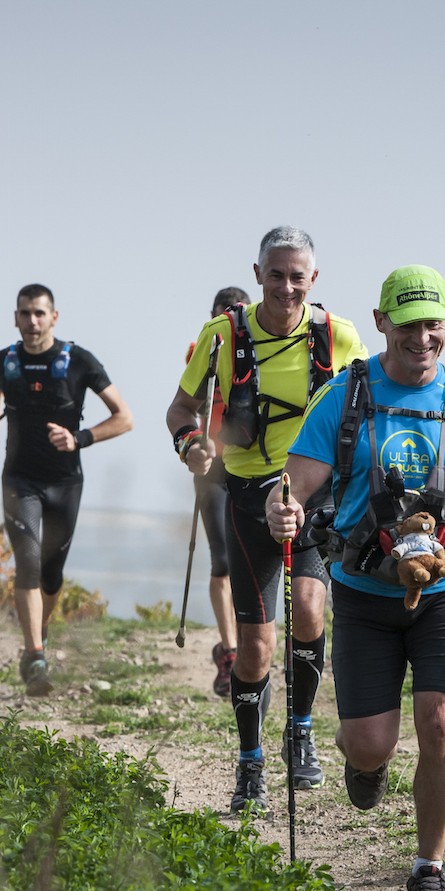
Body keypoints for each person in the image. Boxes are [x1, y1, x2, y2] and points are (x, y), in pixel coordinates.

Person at [267, 264, 445, 891]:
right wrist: (281, 511)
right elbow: (293, 486)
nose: (421, 338)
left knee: (441, 724)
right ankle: (364, 764)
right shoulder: (345, 396)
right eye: (407, 325)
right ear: (380, 322)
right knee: (371, 744)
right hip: (363, 590)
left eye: (432, 324)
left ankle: (430, 868)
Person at [165, 227, 368, 814]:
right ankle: (250, 760)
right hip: (249, 495)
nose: (286, 287)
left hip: (315, 498)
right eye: (275, 275)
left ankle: (299, 732)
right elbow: (181, 408)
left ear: (313, 279)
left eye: (296, 276)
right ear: (257, 275)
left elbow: (370, 405)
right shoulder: (222, 335)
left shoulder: (339, 336)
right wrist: (189, 444)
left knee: (309, 608)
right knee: (254, 648)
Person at [0, 284, 134, 696]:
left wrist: (79, 438)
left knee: (51, 573)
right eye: (25, 313)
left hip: (65, 482)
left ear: (54, 317)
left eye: (39, 313)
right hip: (19, 480)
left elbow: (124, 417)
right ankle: (35, 656)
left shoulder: (79, 361)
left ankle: (40, 631)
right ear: (15, 317)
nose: (32, 321)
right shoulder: (3, 361)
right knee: (27, 562)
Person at [182, 286, 250, 697]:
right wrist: (194, 441)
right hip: (213, 468)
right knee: (222, 560)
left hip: (252, 467)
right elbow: (187, 407)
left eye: (235, 315)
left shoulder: (261, 353)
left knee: (250, 561)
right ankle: (230, 651)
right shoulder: (200, 352)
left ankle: (248, 645)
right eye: (220, 316)